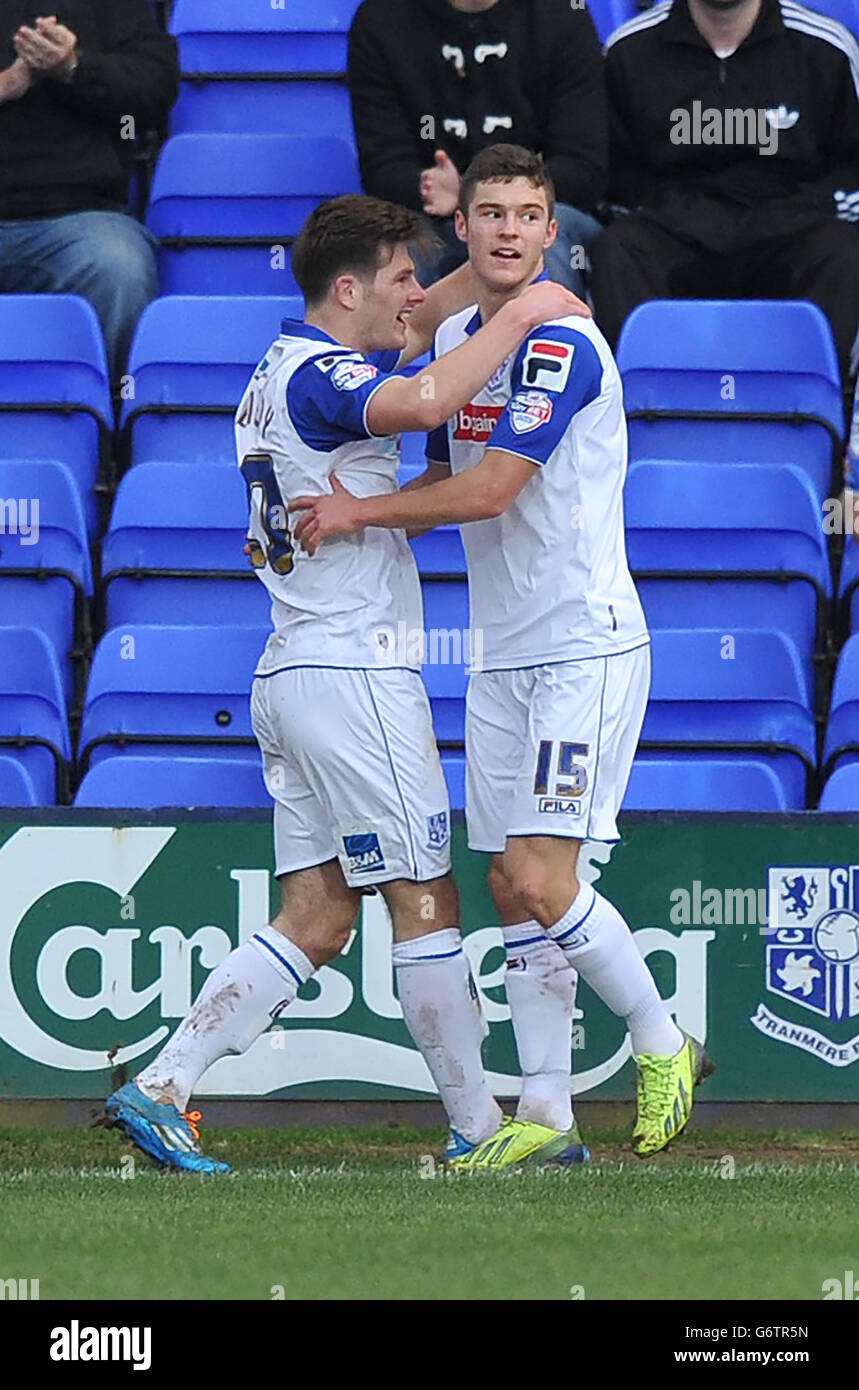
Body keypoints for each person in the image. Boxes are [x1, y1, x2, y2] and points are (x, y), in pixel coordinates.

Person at [105, 193, 589, 1173]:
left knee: (320, 912)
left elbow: (406, 339)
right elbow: (423, 402)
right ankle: (479, 1129)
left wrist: (488, 279)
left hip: (292, 672)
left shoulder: (283, 369)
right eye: (401, 278)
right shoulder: (327, 377)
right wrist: (523, 313)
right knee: (426, 894)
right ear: (346, 290)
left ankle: (162, 1084)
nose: (417, 294)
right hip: (354, 672)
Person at [292, 146, 715, 1168]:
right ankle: (548, 1116)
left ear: (553, 226)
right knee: (505, 886)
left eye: (530, 215)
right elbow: (448, 447)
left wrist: (361, 515)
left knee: (542, 873)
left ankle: (665, 1042)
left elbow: (488, 492)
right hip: (503, 654)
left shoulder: (561, 343)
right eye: (491, 214)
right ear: (470, 226)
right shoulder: (471, 334)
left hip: (583, 644)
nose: (511, 233)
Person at [590, 0, 859, 395]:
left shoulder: (826, 46)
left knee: (843, 253)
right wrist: (663, 210)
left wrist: (814, 207)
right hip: (675, 229)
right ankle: (646, 416)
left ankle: (815, 419)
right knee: (616, 251)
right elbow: (610, 173)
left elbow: (851, 166)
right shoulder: (629, 49)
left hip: (792, 226)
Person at [347, 0, 606, 296]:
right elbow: (383, 165)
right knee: (391, 260)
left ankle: (549, 340)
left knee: (540, 240)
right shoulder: (383, 18)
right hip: (429, 214)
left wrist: (480, 194)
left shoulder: (561, 13)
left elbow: (584, 167)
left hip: (544, 205)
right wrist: (425, 187)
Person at [0, 2, 178, 385]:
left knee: (119, 270)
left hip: (75, 217)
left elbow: (154, 90)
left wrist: (74, 67)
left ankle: (102, 431)